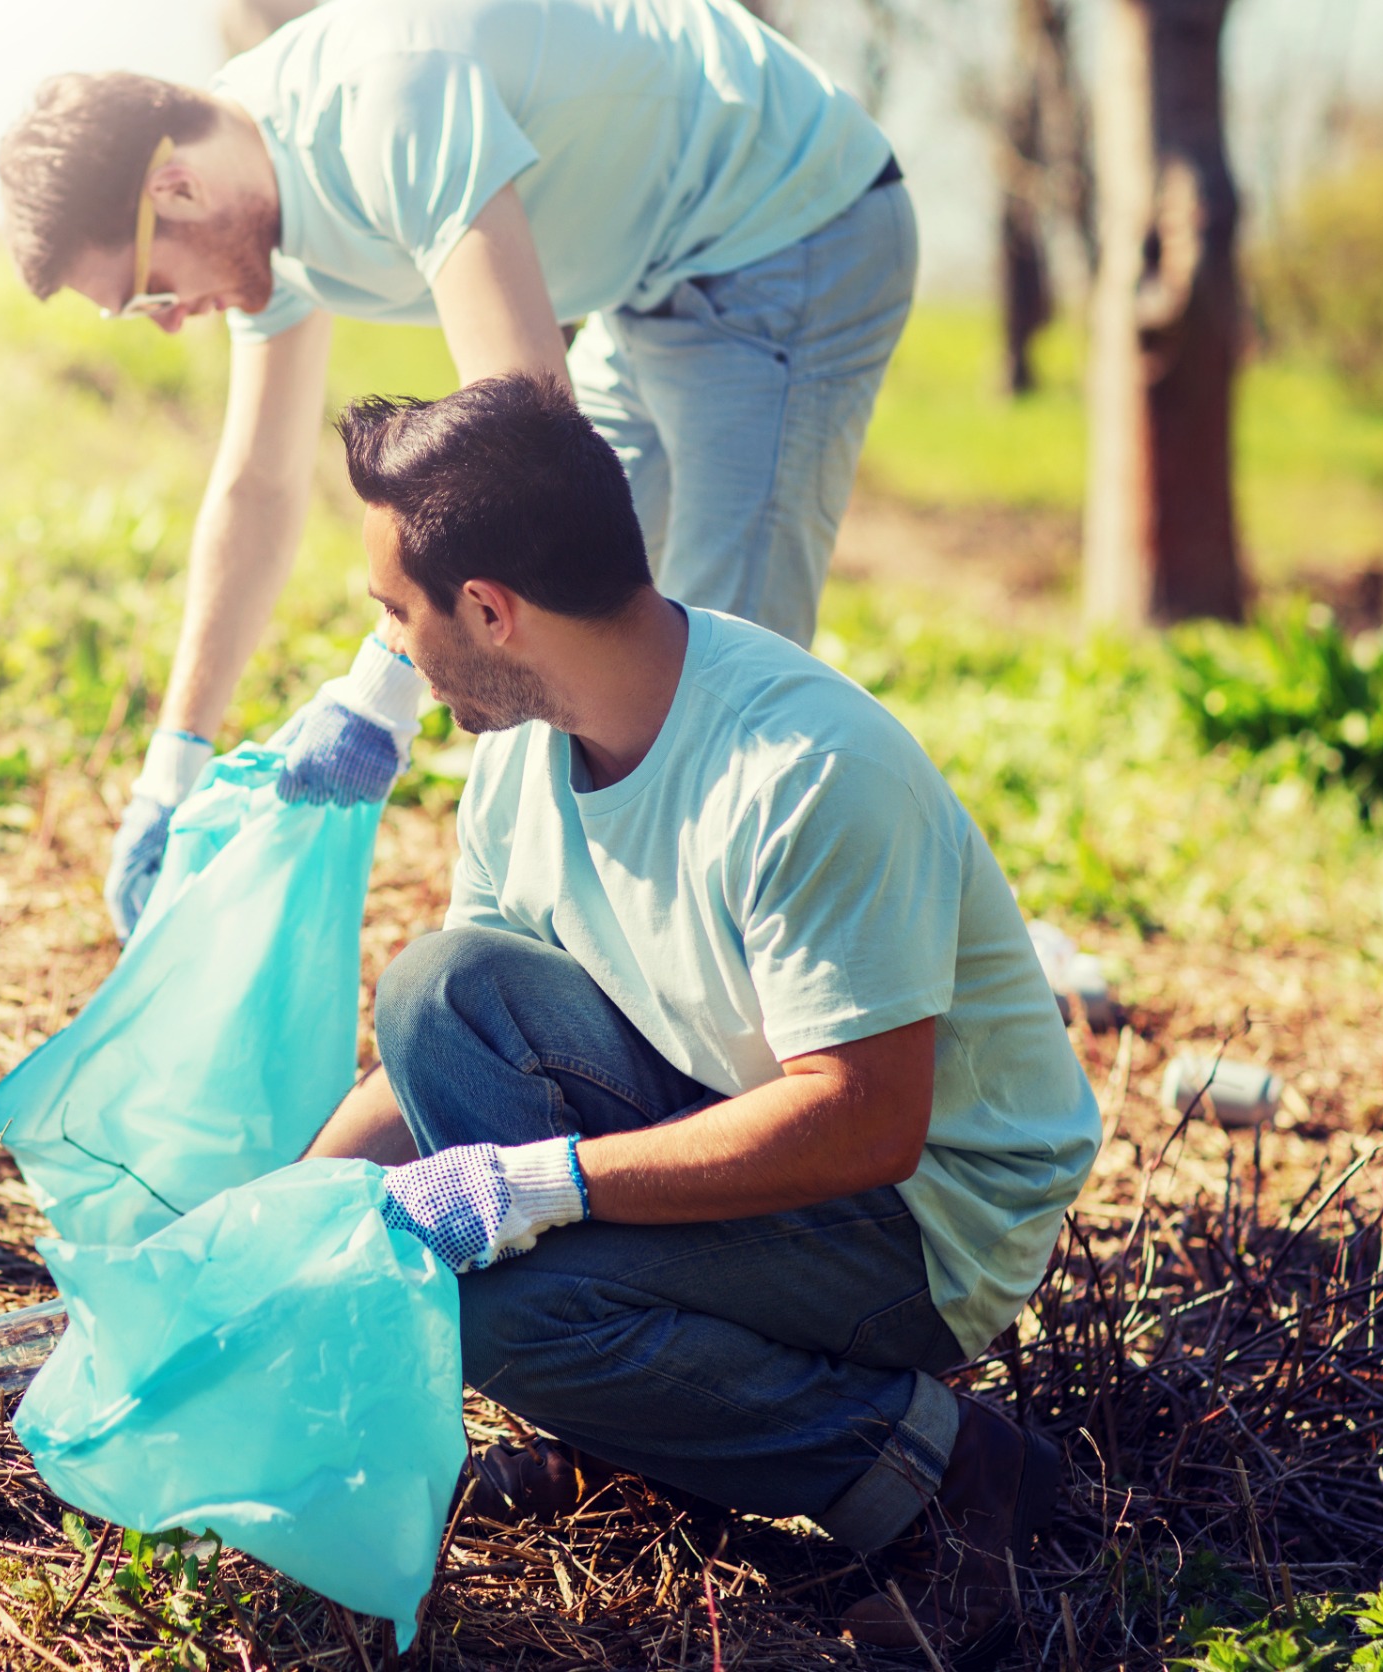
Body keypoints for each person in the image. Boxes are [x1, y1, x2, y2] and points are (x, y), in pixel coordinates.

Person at [300, 376, 1099, 1659]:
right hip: (737, 1115)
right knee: (437, 991)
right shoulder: (523, 747)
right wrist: (289, 1218)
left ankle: (946, 1478)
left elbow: (867, 1123)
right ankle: (654, 1434)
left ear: (492, 611)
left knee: (495, 1311)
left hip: (922, 1217)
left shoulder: (801, 774)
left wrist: (536, 1186)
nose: (392, 644)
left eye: (399, 612)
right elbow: (453, 1060)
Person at [0, 0, 918, 936]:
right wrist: (172, 767)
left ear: (177, 190)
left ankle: (909, 960)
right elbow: (259, 488)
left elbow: (529, 438)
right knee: (563, 638)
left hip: (791, 225)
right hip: (648, 283)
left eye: (147, 291)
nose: (166, 319)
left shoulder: (388, 99)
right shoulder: (253, 206)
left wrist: (382, 692)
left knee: (702, 686)